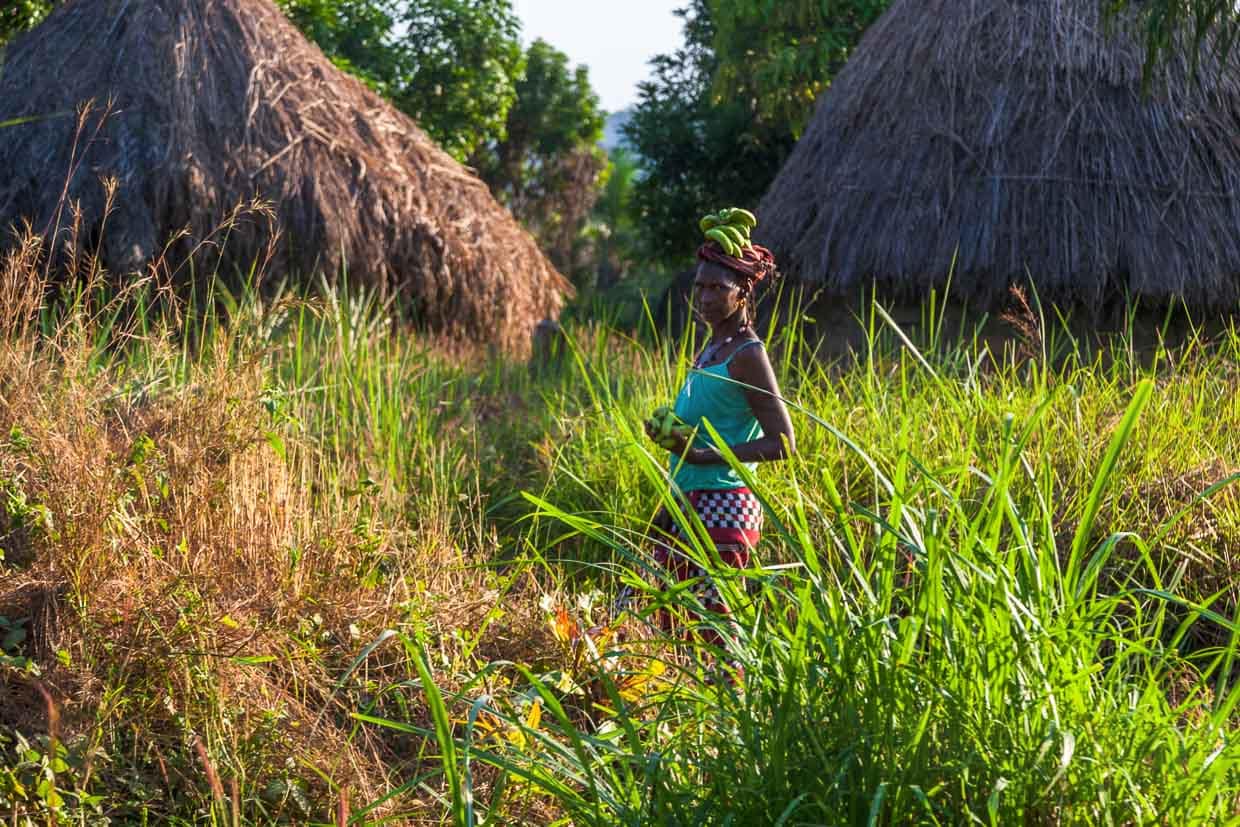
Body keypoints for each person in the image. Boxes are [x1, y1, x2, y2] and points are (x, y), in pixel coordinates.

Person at [644, 226, 795, 670]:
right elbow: (699, 436)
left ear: (743, 292)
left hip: (725, 505)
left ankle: (735, 721)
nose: (705, 297)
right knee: (660, 617)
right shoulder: (710, 349)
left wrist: (704, 456)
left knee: (713, 633)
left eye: (717, 288)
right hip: (687, 501)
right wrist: (672, 447)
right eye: (700, 287)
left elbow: (784, 441)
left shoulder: (748, 353)